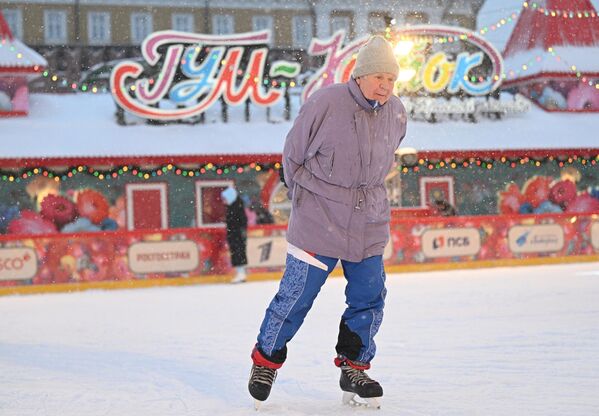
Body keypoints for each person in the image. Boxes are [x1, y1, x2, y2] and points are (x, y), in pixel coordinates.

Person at [247, 35, 407, 408]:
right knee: (295, 298)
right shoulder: (326, 103)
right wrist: (309, 200)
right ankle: (265, 361)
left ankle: (355, 366)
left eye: (391, 79)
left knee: (369, 298)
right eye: (379, 77)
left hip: (368, 224)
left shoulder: (397, 111)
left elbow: (387, 160)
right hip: (318, 223)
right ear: (360, 75)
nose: (385, 86)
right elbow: (293, 158)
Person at [220, 186, 248, 284]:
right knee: (237, 253)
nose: (224, 201)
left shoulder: (236, 207)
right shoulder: (233, 206)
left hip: (237, 235)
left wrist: (239, 231)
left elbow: (242, 221)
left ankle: (241, 273)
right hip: (234, 234)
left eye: (225, 198)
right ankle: (240, 273)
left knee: (238, 253)